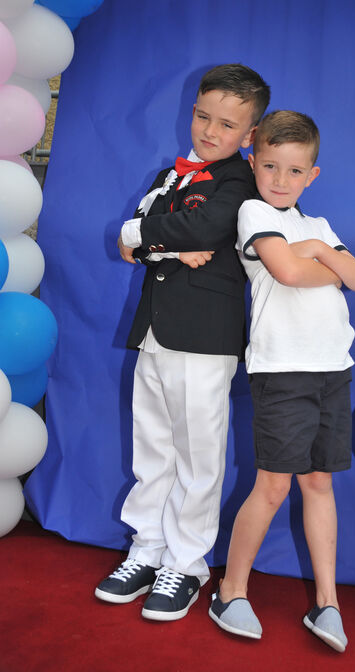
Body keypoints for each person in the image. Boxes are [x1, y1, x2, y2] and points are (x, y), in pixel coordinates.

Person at [95, 64, 270, 622]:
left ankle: (187, 563)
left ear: (249, 135)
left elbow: (198, 229)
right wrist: (159, 244)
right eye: (202, 116)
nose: (210, 131)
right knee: (152, 446)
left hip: (204, 336)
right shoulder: (167, 175)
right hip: (154, 329)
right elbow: (141, 239)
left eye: (227, 124)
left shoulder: (240, 181)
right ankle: (146, 548)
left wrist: (142, 236)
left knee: (197, 454)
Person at [208, 110, 355, 652]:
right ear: (253, 163)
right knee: (273, 485)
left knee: (319, 483)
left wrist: (318, 249)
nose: (280, 179)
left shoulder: (318, 226)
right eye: (270, 166)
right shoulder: (252, 212)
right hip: (282, 371)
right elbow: (289, 272)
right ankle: (230, 591)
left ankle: (327, 603)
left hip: (332, 368)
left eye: (294, 170)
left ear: (311, 175)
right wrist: (326, 261)